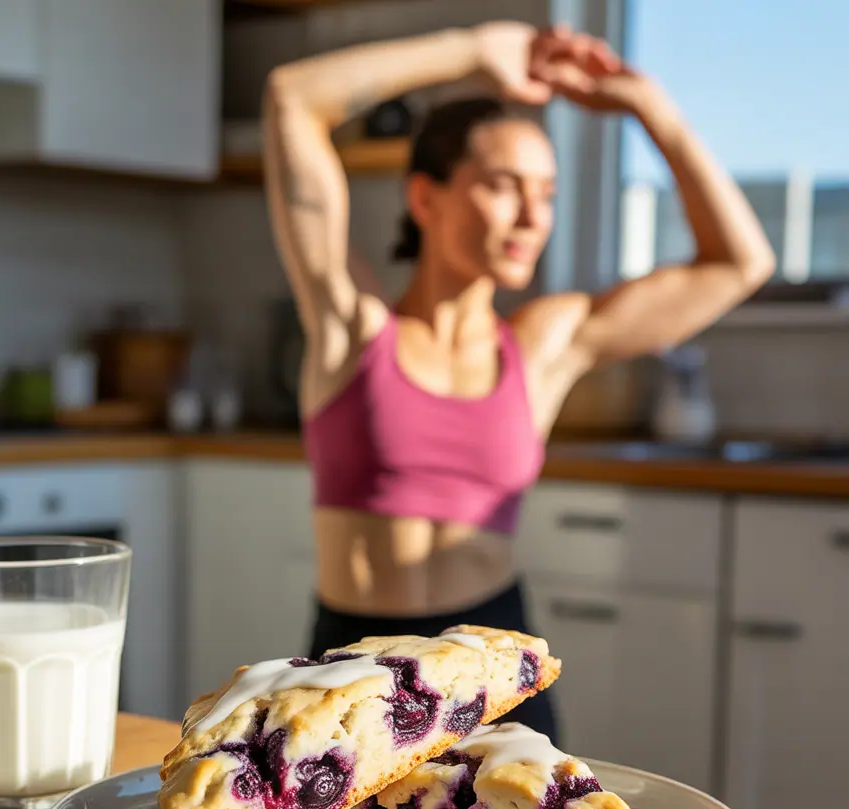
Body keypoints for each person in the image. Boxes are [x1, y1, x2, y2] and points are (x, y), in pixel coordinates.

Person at [262, 23, 774, 743]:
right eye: (504, 186)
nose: (534, 217)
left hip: (494, 670)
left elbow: (741, 264)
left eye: (548, 193)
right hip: (353, 671)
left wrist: (648, 106)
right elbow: (292, 97)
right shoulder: (353, 327)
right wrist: (473, 51)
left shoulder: (543, 348)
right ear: (426, 198)